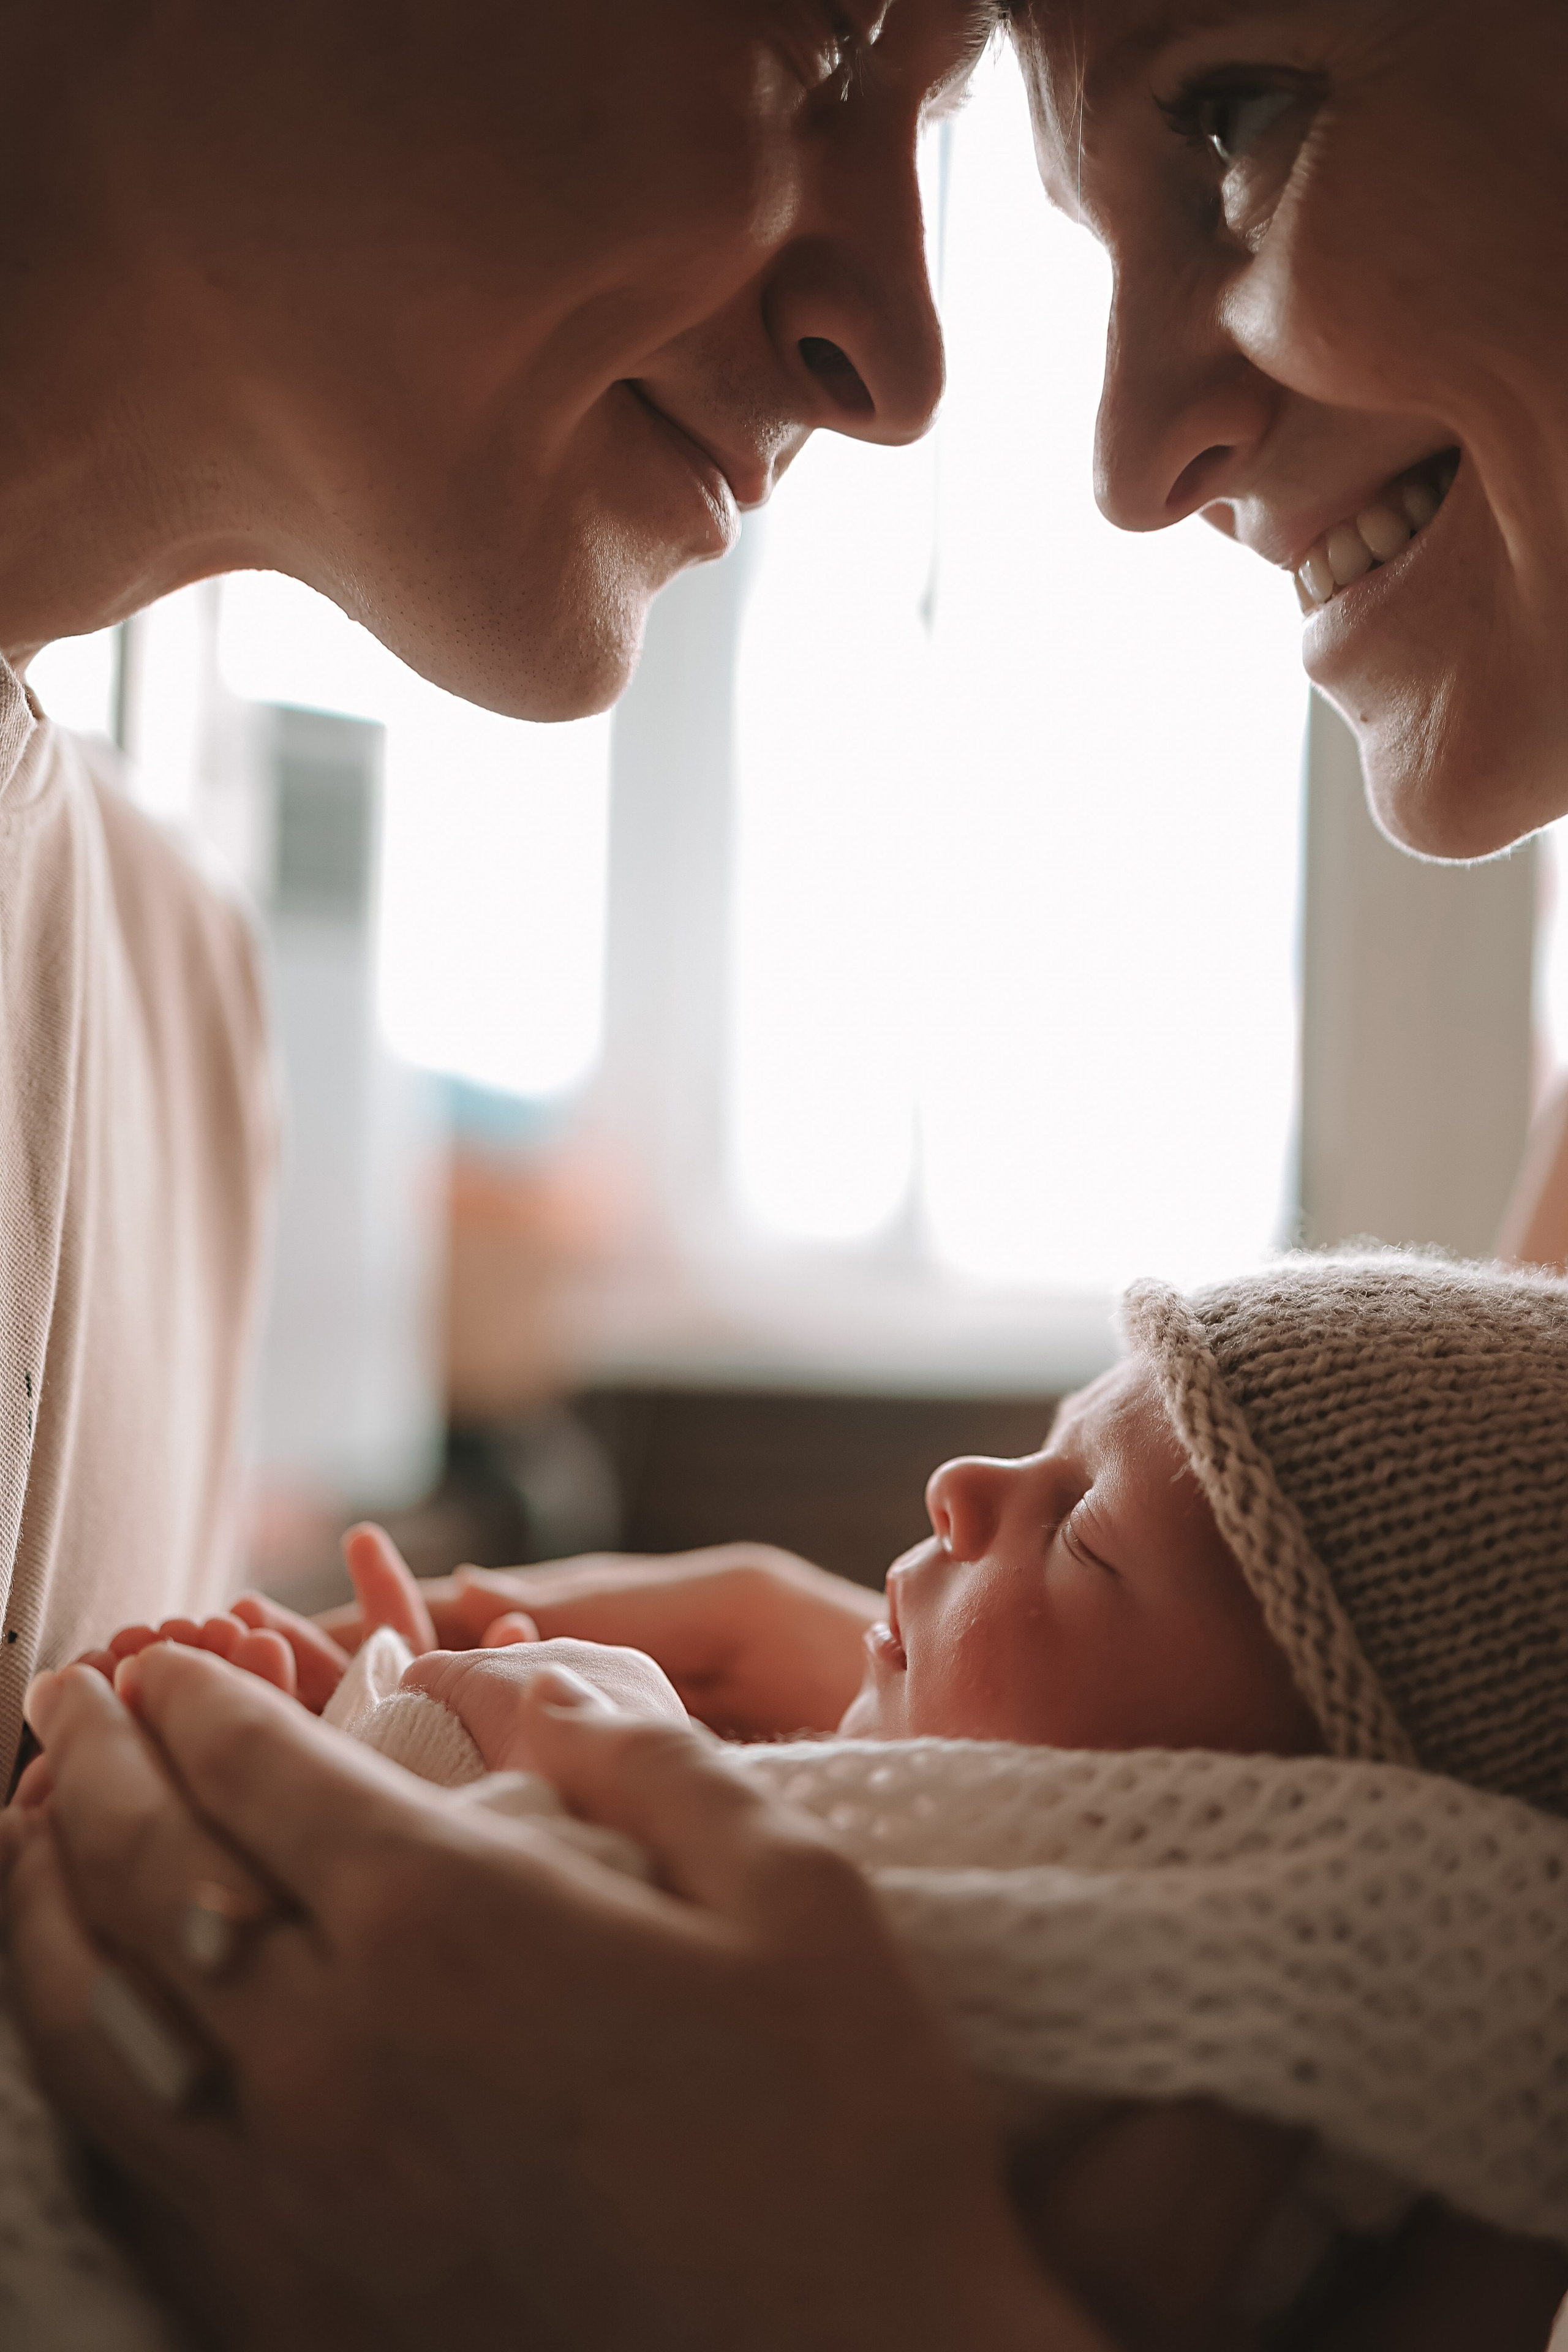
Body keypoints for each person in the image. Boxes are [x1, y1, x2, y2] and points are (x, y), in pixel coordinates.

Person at [8, 0, 1568, 2341]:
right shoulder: (179, 1009)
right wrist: (956, 1741)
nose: (1085, 442)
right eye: (826, 36)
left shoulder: (169, 1026)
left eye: (1238, 116)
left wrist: (832, 2279)